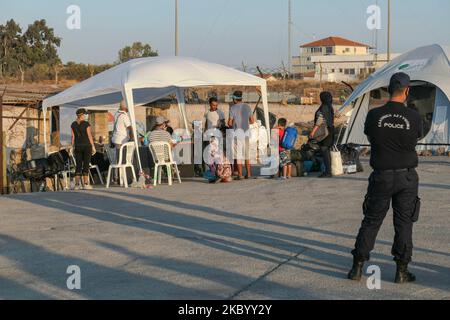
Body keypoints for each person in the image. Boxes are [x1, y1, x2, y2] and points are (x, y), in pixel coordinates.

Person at [348, 72, 423, 284]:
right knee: (404, 223)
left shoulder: (374, 115)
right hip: (406, 176)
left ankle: (357, 267)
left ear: (388, 89)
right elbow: (417, 136)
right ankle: (401, 270)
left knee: (371, 220)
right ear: (407, 90)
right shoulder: (414, 116)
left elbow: (370, 136)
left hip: (381, 175)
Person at [228, 90, 255, 180]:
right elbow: (252, 121)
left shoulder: (232, 108)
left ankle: (240, 175)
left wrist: (234, 124)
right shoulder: (247, 107)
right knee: (247, 155)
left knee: (238, 156)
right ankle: (249, 174)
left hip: (237, 135)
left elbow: (229, 123)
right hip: (246, 134)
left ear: (235, 99)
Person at [310, 91, 335, 178]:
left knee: (324, 151)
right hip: (330, 130)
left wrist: (313, 132)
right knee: (327, 151)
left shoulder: (323, 107)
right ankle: (329, 170)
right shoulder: (329, 106)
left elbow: (319, 121)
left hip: (324, 132)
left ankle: (328, 172)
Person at [71, 108, 96, 190]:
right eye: (85, 114)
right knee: (86, 165)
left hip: (77, 147)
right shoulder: (86, 124)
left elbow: (73, 137)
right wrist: (93, 146)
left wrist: (72, 146)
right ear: (82, 115)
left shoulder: (73, 124)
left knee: (78, 165)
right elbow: (89, 136)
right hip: (86, 146)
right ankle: (85, 184)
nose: (85, 115)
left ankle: (77, 184)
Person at [111, 100, 133, 181]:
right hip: (122, 140)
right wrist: (132, 137)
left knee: (118, 160)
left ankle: (119, 178)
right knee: (123, 161)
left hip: (116, 139)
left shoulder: (116, 114)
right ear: (125, 107)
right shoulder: (124, 116)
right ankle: (123, 179)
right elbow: (130, 127)